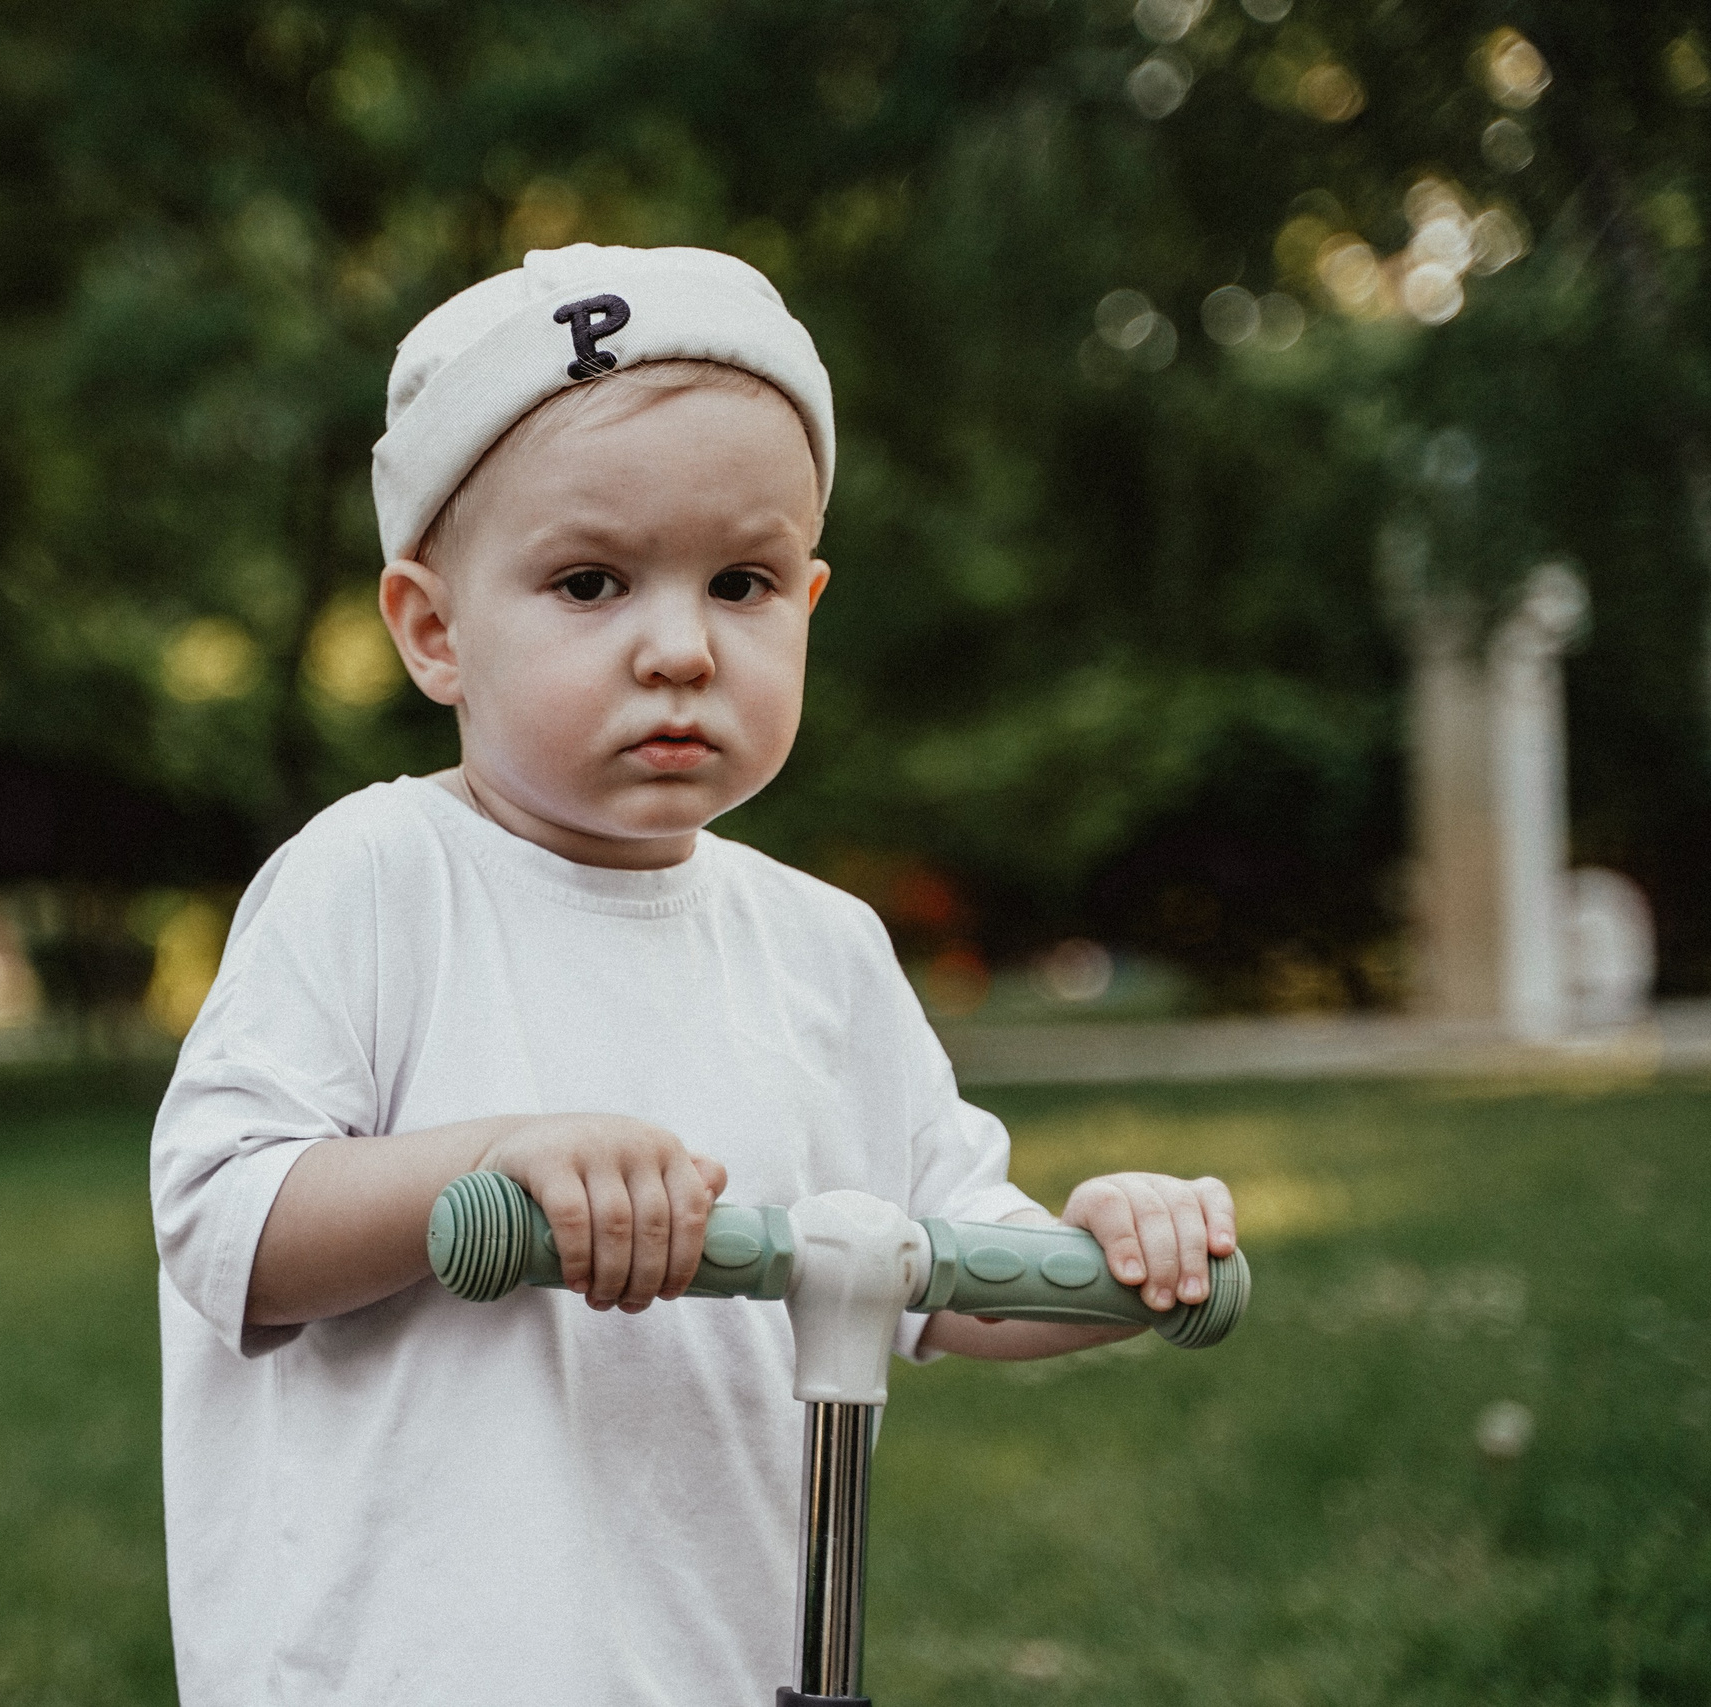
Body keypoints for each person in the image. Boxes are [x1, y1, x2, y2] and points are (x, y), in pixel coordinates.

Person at [149, 243, 1235, 1705]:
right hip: (407, 1665)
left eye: (743, 582)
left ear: (810, 598)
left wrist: (1110, 1248)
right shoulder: (377, 881)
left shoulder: (824, 950)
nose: (679, 649)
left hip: (718, 1664)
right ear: (433, 629)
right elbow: (225, 1220)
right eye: (590, 582)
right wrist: (500, 1164)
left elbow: (936, 1264)